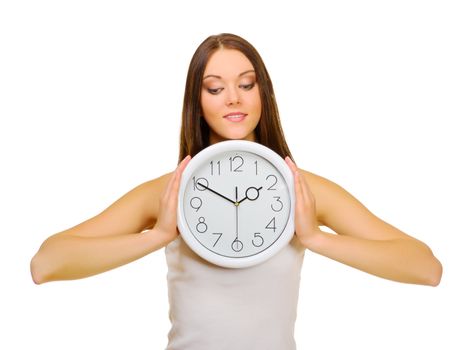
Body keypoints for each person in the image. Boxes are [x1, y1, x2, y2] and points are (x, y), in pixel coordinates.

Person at [30, 33, 443, 349]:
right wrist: (158, 235)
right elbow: (46, 264)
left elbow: (426, 268)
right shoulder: (167, 193)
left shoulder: (303, 190)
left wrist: (315, 238)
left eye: (246, 84)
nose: (233, 98)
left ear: (263, 92)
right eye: (215, 88)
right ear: (198, 99)